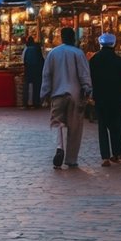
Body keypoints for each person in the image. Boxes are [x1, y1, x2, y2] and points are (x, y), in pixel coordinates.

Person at [41, 26, 92, 169]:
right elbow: (84, 74)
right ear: (74, 38)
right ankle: (71, 159)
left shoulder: (53, 53)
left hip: (57, 94)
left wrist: (44, 93)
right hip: (76, 95)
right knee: (75, 127)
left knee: (56, 123)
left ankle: (59, 146)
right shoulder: (78, 53)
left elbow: (46, 75)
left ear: (62, 37)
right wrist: (88, 89)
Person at [89, 32, 121, 166]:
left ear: (101, 44)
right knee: (118, 127)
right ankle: (118, 153)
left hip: (101, 99)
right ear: (114, 45)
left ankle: (105, 157)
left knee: (102, 127)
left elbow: (91, 79)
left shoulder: (94, 60)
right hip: (117, 99)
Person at [22, 36, 45, 109]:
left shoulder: (27, 49)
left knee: (27, 86)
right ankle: (36, 102)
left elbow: (24, 60)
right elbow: (41, 59)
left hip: (28, 69)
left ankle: (25, 103)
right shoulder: (37, 48)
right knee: (36, 86)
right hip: (37, 70)